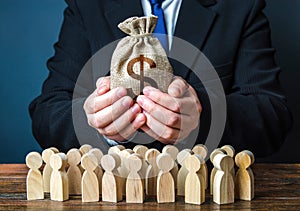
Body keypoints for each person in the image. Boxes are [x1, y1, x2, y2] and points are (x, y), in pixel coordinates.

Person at [29, 0, 292, 157]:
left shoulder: (240, 6)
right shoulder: (89, 6)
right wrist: (92, 119)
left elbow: (271, 112)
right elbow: (47, 112)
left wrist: (204, 116)